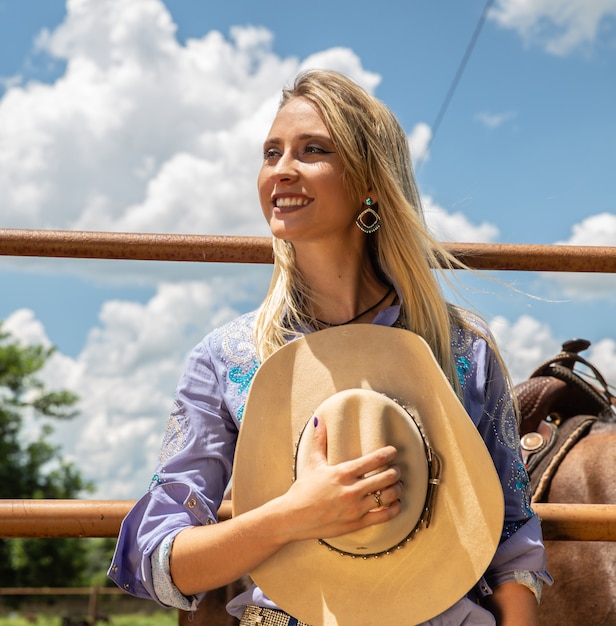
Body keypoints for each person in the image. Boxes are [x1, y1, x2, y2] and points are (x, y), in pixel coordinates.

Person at [109, 69, 551, 625]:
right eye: (271, 153)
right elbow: (158, 558)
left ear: (370, 180)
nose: (281, 170)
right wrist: (295, 514)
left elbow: (511, 531)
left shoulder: (461, 348)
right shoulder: (228, 358)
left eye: (311, 149)